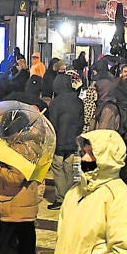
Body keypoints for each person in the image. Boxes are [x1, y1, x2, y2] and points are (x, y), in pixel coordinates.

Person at [47, 71, 85, 210]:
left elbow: (53, 124)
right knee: (69, 167)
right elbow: (81, 122)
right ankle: (71, 196)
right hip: (72, 140)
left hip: (59, 140)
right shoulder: (78, 101)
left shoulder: (55, 103)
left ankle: (61, 197)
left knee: (57, 167)